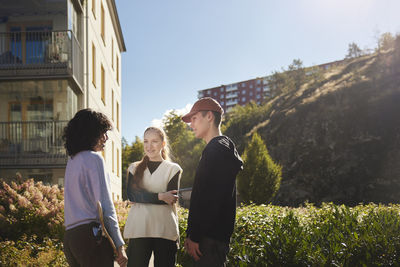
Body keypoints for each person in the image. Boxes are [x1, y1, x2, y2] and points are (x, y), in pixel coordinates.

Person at [182, 97, 243, 267]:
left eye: (194, 118)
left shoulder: (215, 150)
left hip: (208, 241)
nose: (191, 124)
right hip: (212, 239)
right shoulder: (220, 148)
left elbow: (209, 199)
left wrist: (194, 235)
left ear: (209, 117)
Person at [63, 108, 128, 267]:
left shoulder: (72, 162)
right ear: (90, 133)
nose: (106, 137)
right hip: (91, 236)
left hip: (70, 238)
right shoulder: (94, 159)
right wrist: (120, 246)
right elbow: (106, 206)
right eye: (102, 132)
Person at [124, 126, 182, 267]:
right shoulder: (134, 168)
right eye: (146, 141)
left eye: (154, 141)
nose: (149, 146)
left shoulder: (173, 169)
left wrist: (143, 197)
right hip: (139, 229)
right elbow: (132, 195)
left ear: (163, 144)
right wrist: (161, 196)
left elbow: (171, 199)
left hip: (165, 230)